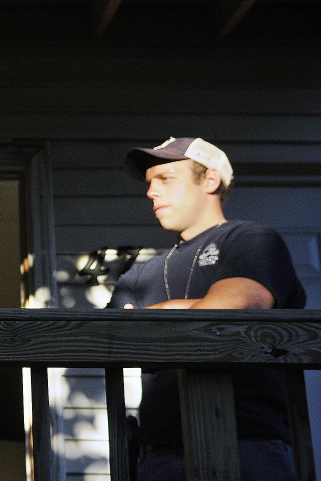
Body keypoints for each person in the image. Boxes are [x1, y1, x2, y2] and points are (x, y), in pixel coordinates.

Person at [107, 137, 306, 481]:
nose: (150, 192)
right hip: (159, 455)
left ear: (210, 181)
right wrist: (191, 308)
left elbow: (235, 309)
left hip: (248, 447)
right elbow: (110, 338)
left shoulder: (250, 239)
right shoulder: (140, 273)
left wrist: (158, 315)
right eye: (149, 182)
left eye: (165, 179)